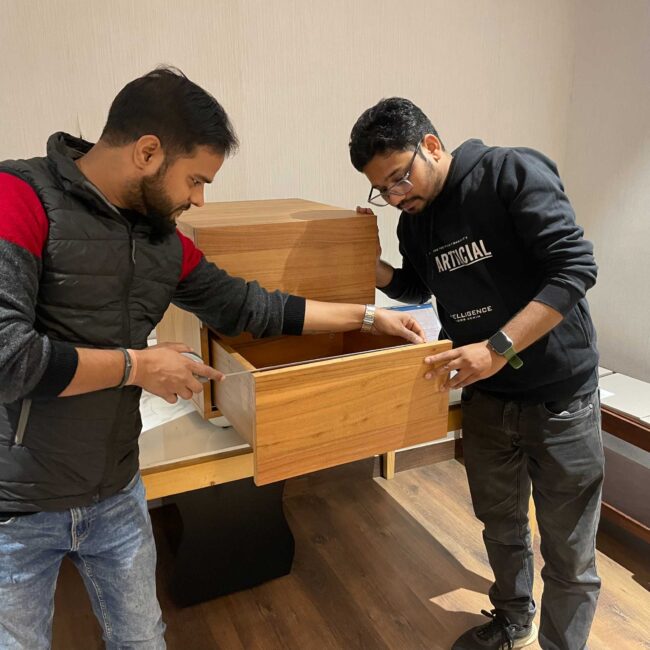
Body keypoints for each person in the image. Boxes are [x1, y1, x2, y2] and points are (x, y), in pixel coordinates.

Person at [0, 69, 424, 650]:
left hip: (116, 489)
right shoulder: (17, 197)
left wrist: (369, 317)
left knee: (142, 640)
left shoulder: (161, 241)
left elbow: (250, 306)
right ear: (148, 152)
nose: (199, 198)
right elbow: (8, 359)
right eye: (196, 179)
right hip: (17, 505)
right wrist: (139, 367)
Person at [349, 98, 603, 650]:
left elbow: (574, 268)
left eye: (400, 178)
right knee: (501, 524)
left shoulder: (510, 172)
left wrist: (495, 349)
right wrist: (374, 267)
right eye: (382, 190)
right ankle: (513, 620)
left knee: (569, 549)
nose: (396, 197)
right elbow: (419, 284)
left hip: (559, 396)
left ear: (431, 146)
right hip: (486, 396)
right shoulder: (415, 221)